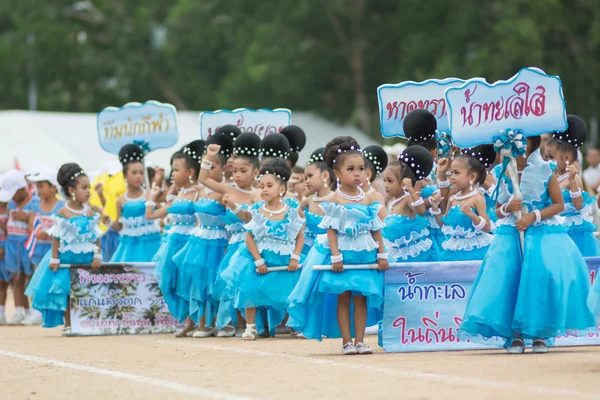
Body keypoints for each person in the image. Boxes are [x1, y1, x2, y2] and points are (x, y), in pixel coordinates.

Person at [461, 135, 596, 354]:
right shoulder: (501, 173)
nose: (511, 152)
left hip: (540, 232)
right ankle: (515, 334)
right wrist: (507, 208)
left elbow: (559, 205)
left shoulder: (545, 170)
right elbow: (496, 210)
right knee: (506, 275)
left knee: (538, 277)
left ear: (530, 146)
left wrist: (533, 216)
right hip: (510, 232)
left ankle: (539, 332)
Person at [288, 136, 388, 355]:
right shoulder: (334, 198)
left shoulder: (369, 199)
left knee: (361, 297)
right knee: (343, 297)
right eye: (351, 169)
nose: (357, 174)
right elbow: (331, 229)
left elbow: (376, 228)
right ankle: (346, 341)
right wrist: (335, 255)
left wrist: (381, 253)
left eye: (361, 169)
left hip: (365, 255)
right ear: (337, 174)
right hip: (343, 255)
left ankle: (360, 340)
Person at [220, 158, 305, 340]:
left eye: (269, 185)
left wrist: (295, 257)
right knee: (249, 287)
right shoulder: (257, 209)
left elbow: (299, 235)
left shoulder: (291, 210)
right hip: (261, 258)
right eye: (261, 186)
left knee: (293, 288)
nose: (264, 189)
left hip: (285, 258)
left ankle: (296, 324)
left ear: (281, 189)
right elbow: (249, 236)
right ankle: (251, 326)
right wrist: (258, 260)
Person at [25, 163, 102, 335]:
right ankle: (68, 323)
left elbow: (96, 236)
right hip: (66, 258)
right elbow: (56, 237)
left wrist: (97, 255)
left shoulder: (89, 213)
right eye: (84, 188)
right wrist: (54, 258)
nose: (88, 191)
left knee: (83, 290)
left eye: (89, 187)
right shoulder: (63, 212)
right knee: (66, 291)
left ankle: (84, 321)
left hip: (86, 258)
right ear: (72, 190)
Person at [198, 132, 261, 337]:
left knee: (248, 284)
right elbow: (203, 178)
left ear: (255, 172)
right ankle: (228, 323)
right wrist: (208, 157)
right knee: (227, 283)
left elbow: (252, 220)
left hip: (252, 245)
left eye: (244, 171)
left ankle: (250, 324)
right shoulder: (227, 188)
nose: (238, 175)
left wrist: (234, 206)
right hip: (233, 244)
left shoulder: (257, 194)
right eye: (235, 171)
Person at [172, 132, 232, 338]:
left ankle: (218, 322)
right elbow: (198, 217)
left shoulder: (224, 190)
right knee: (196, 280)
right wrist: (208, 156)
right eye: (206, 165)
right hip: (199, 241)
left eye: (213, 166)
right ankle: (200, 322)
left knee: (213, 282)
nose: (207, 169)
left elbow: (231, 218)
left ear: (223, 169)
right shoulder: (200, 191)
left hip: (218, 242)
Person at [148, 140, 205, 335]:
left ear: (190, 172)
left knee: (191, 281)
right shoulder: (178, 191)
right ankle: (189, 321)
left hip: (190, 241)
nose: (172, 174)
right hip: (174, 241)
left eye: (176, 170)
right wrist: (154, 198)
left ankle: (202, 321)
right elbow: (152, 215)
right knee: (177, 280)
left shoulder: (199, 192)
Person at [545, 115, 600, 256]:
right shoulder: (552, 177)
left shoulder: (574, 177)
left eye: (552, 158)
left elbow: (578, 205)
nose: (548, 161)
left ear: (566, 158)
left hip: (574, 232)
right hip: (555, 229)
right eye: (547, 157)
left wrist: (572, 182)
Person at [432, 148, 493, 261]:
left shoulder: (477, 198)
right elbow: (445, 226)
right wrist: (436, 209)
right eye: (451, 173)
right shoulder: (452, 199)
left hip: (476, 249)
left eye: (457, 173)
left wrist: (472, 215)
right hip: (455, 250)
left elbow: (487, 227)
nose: (452, 177)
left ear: (472, 177)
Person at [22, 168, 64, 325]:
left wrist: (50, 233)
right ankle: (36, 310)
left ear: (53, 187)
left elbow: (63, 227)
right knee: (37, 277)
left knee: (53, 279)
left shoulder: (61, 205)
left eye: (41, 186)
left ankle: (50, 310)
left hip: (54, 249)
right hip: (39, 248)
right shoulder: (35, 203)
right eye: (36, 186)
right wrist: (37, 232)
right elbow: (31, 224)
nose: (38, 190)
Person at [383, 146, 437, 262]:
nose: (386, 185)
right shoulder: (393, 202)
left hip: (412, 257)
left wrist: (411, 190)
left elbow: (421, 211)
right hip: (397, 254)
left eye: (390, 181)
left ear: (404, 182)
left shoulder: (407, 198)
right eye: (384, 180)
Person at [110, 144, 161, 262]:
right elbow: (119, 226)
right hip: (129, 246)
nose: (139, 176)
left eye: (141, 172)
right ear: (125, 175)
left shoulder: (149, 194)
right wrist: (110, 223)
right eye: (134, 172)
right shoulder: (121, 200)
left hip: (151, 243)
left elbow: (161, 213)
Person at [0, 170, 35, 324]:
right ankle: (19, 310)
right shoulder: (11, 205)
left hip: (27, 245)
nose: (12, 198)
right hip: (12, 246)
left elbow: (34, 227)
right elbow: (7, 226)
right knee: (16, 278)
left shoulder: (34, 204)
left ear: (22, 189)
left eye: (14, 193)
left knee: (31, 277)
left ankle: (34, 311)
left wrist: (26, 218)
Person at [300, 148, 334, 259]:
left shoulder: (336, 199)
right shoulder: (309, 200)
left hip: (326, 252)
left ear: (325, 176)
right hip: (305, 251)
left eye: (310, 176)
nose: (307, 181)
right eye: (305, 178)